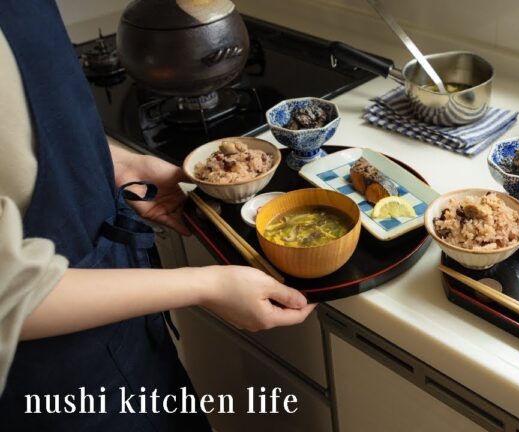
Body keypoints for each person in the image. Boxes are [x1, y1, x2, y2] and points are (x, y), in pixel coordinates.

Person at [0, 2, 314, 430]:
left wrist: (118, 167)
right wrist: (206, 284)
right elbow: (8, 295)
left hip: (119, 325)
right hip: (47, 385)